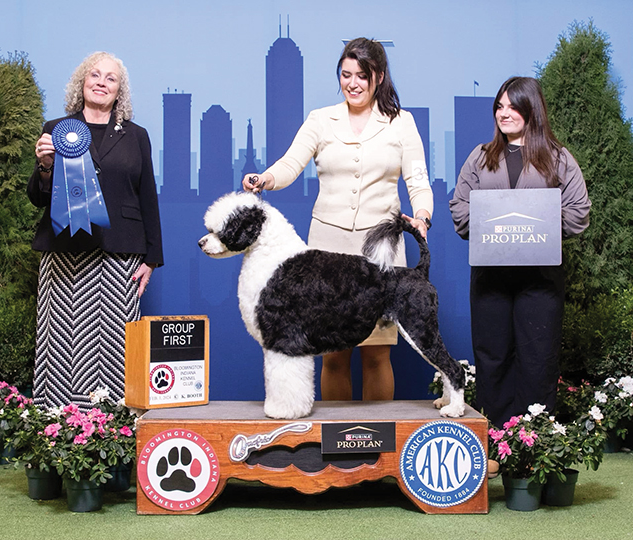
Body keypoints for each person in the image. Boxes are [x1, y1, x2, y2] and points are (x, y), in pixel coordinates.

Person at [242, 38, 433, 401]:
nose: (353, 83)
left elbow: (419, 180)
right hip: (327, 248)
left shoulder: (402, 123)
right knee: (332, 355)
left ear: (379, 77)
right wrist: (265, 178)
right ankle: (335, 438)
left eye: (362, 75)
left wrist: (422, 215)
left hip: (380, 250)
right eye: (346, 75)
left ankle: (377, 436)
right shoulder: (320, 119)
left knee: (377, 353)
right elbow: (290, 163)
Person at [449, 76, 590, 428]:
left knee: (538, 358)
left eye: (513, 106)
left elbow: (578, 212)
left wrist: (539, 220)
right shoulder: (480, 156)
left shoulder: (558, 158)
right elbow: (459, 208)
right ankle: (495, 439)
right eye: (499, 106)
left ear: (532, 110)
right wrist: (492, 218)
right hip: (490, 278)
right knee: (492, 357)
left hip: (540, 280)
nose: (504, 113)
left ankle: (533, 441)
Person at [28, 51, 163, 410]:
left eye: (111, 78)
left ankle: (115, 424)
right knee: (61, 340)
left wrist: (152, 257)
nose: (102, 82)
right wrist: (45, 166)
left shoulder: (137, 135)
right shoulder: (56, 129)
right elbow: (38, 198)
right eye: (95, 75)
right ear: (82, 82)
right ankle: (56, 421)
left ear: (120, 90)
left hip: (121, 254)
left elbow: (148, 196)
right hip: (64, 253)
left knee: (117, 342)